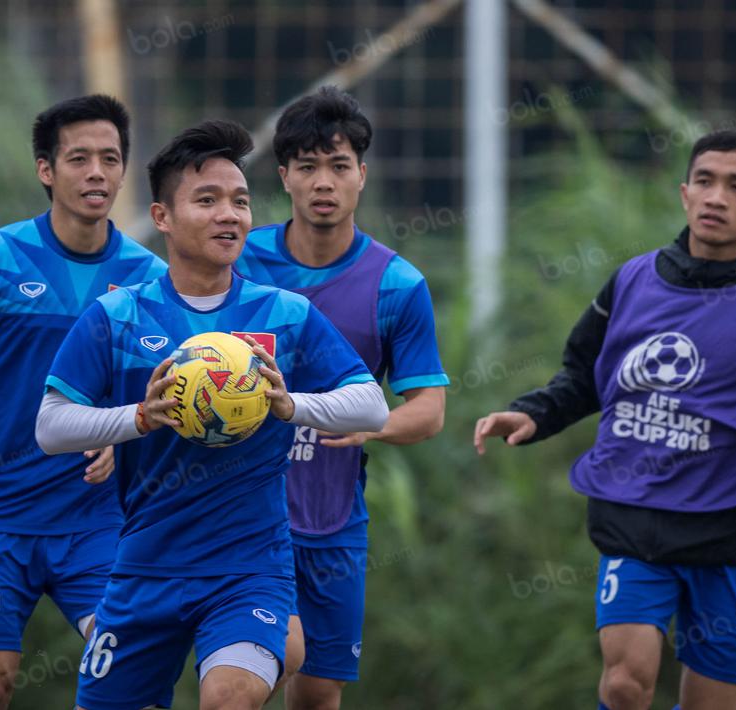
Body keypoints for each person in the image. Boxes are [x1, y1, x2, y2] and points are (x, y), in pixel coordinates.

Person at [473, 129, 736, 710]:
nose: (716, 197)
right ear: (684, 193)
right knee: (627, 684)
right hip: (637, 517)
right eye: (705, 181)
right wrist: (534, 413)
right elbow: (585, 374)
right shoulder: (633, 281)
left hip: (734, 529)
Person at [35, 119, 389, 710]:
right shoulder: (117, 316)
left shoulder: (285, 314)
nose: (230, 215)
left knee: (227, 697)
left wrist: (289, 405)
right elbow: (50, 426)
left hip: (249, 571)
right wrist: (138, 418)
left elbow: (372, 406)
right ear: (164, 217)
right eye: (208, 200)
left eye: (240, 201)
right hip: (143, 572)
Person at [0, 94, 165, 710]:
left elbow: (157, 400)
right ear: (47, 170)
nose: (96, 172)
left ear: (124, 169)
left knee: (130, 676)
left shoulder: (149, 277)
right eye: (79, 159)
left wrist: (121, 441)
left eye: (110, 158)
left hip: (96, 518)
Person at [235, 86, 448, 709]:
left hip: (331, 521)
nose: (322, 181)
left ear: (362, 174)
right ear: (284, 178)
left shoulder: (397, 284)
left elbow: (428, 409)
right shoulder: (239, 261)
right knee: (249, 678)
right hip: (240, 514)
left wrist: (370, 425)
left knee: (318, 692)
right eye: (307, 167)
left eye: (338, 165)